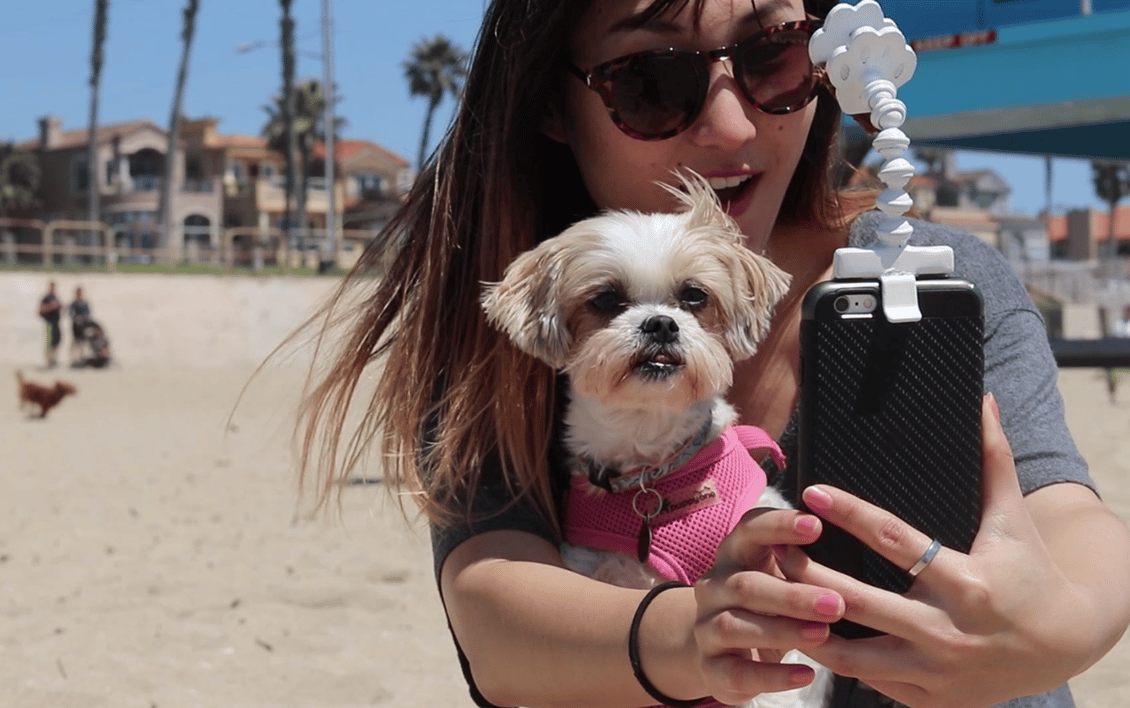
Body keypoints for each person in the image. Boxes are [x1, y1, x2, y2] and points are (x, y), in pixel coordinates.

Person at [290, 1, 1130, 707]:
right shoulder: (508, 333)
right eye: (652, 82)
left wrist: (1065, 625)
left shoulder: (945, 280)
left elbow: (1073, 516)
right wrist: (702, 632)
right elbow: (493, 611)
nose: (731, 125)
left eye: (776, 57)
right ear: (549, 102)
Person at [38, 280, 62, 368]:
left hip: (56, 322)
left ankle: (53, 359)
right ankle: (48, 360)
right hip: (49, 322)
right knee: (49, 341)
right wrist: (52, 307)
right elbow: (41, 310)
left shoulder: (56, 297)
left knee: (57, 340)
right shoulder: (46, 298)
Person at [68, 286, 92, 365]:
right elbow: (71, 314)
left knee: (83, 343)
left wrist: (83, 318)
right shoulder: (74, 303)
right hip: (75, 326)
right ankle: (75, 360)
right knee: (76, 342)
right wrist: (76, 318)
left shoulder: (85, 303)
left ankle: (82, 359)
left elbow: (88, 313)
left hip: (83, 326)